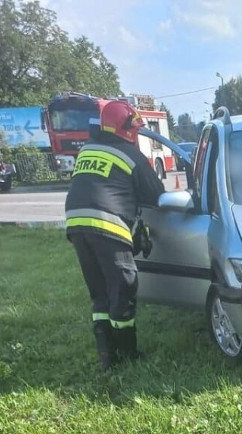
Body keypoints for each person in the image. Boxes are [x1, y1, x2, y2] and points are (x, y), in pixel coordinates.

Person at [64, 99, 164, 374]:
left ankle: (107, 356)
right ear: (126, 129)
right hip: (106, 224)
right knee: (123, 287)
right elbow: (156, 194)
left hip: (76, 223)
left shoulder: (87, 150)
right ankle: (129, 356)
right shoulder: (129, 154)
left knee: (100, 292)